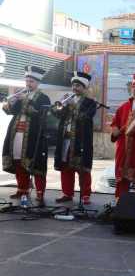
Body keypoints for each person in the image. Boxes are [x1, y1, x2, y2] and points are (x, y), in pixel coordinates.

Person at [2, 66, 51, 206]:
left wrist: (28, 101)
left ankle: (40, 194)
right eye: (27, 80)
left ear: (38, 83)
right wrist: (10, 103)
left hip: (34, 136)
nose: (28, 84)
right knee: (19, 163)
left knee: (37, 165)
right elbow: (10, 112)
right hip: (17, 134)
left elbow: (42, 115)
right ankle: (22, 190)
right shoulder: (20, 94)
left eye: (31, 81)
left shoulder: (43, 97)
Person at [52, 71, 96, 204]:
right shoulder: (67, 100)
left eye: (78, 85)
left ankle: (85, 195)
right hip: (65, 138)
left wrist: (73, 107)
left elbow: (86, 117)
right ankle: (67, 193)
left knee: (82, 168)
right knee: (65, 166)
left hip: (80, 141)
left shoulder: (90, 103)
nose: (75, 88)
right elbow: (56, 113)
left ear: (84, 87)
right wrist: (63, 106)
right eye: (73, 85)